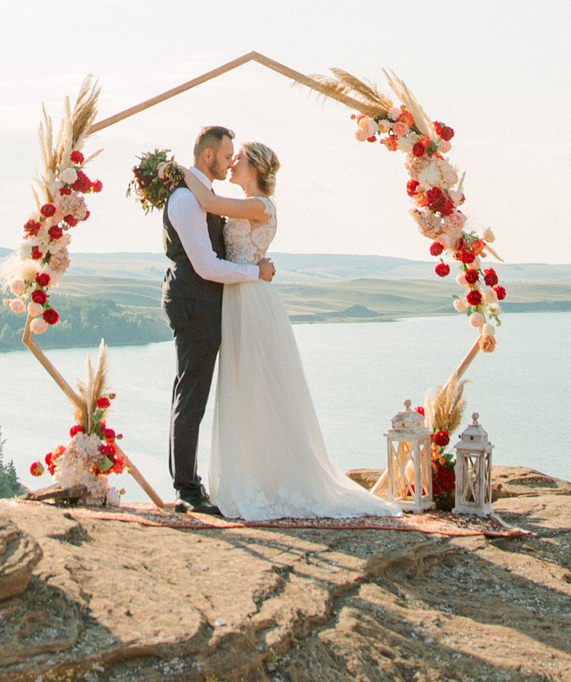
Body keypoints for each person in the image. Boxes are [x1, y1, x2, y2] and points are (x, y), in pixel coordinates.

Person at [172, 141, 396, 521]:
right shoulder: (244, 203)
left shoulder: (261, 206)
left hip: (253, 302)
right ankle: (252, 475)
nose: (232, 163)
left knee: (263, 386)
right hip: (236, 300)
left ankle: (278, 479)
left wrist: (179, 172)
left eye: (238, 158)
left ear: (255, 166)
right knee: (243, 389)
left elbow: (209, 204)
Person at [162, 124, 273, 516]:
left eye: (235, 159)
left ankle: (188, 482)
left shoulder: (201, 196)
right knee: (191, 394)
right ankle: (187, 490)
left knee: (190, 391)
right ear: (208, 156)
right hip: (194, 302)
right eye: (227, 157)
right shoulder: (185, 201)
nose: (230, 164)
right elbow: (207, 266)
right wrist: (255, 273)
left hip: (208, 304)